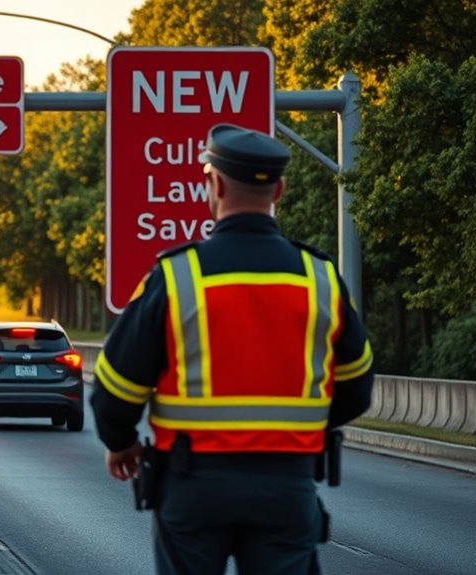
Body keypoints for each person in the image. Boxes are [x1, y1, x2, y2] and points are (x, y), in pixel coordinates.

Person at [91, 123, 375, 575]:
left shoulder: (176, 277)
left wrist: (121, 442)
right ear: (278, 191)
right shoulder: (320, 279)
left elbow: (114, 388)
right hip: (287, 487)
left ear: (216, 185)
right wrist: (292, 430)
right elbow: (357, 388)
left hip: (192, 486)